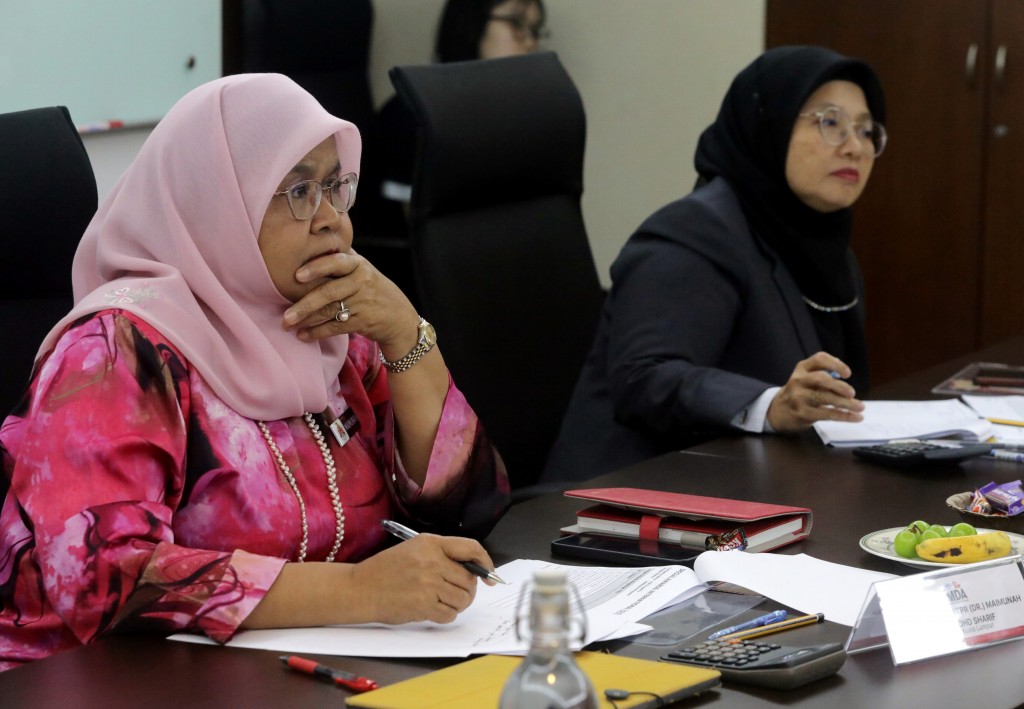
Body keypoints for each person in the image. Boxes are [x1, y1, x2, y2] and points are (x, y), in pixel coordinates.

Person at [0, 73, 510, 671]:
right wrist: (363, 592)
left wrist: (404, 334)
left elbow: (466, 508)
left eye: (334, 186)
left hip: (305, 663)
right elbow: (100, 578)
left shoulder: (329, 323)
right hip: (109, 680)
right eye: (297, 190)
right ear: (218, 202)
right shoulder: (118, 351)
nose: (330, 221)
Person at [542, 45, 887, 483]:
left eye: (866, 129)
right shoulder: (694, 232)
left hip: (757, 490)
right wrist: (770, 405)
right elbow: (645, 378)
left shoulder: (826, 249)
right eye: (830, 122)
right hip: (629, 501)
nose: (855, 147)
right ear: (770, 124)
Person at [374, 0, 548, 206]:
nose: (530, 42)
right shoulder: (411, 112)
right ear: (472, 24)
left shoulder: (517, 112)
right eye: (516, 22)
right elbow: (417, 228)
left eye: (535, 29)